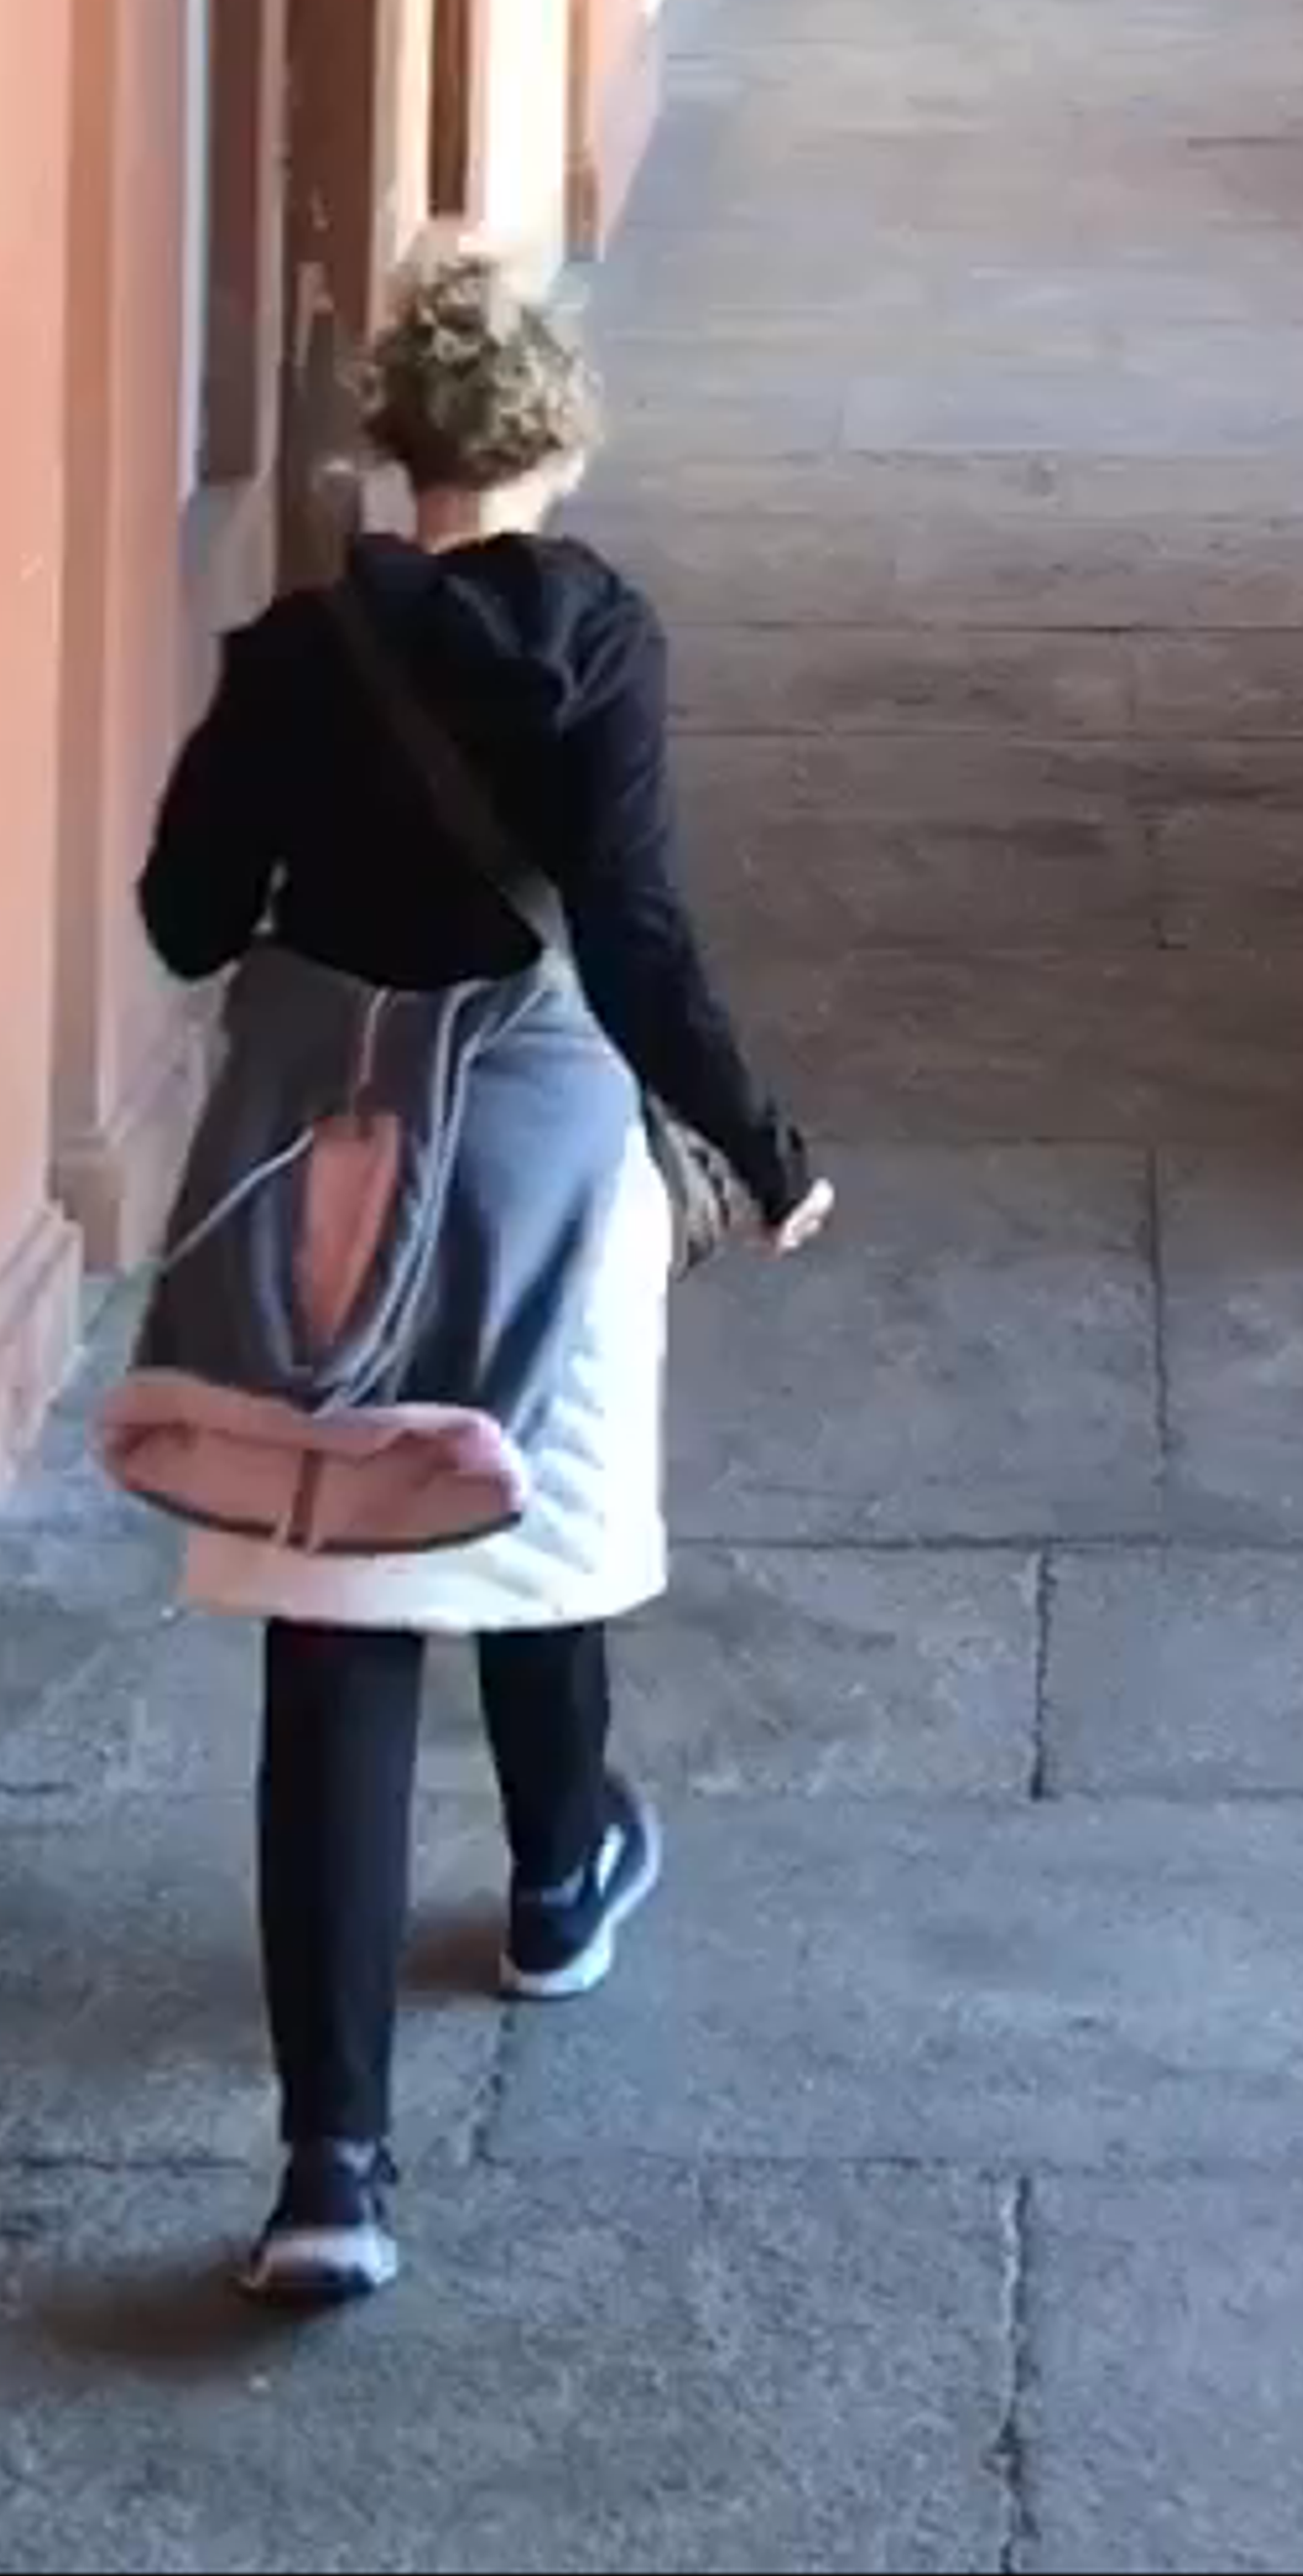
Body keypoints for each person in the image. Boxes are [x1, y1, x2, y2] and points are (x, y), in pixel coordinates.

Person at [130, 249, 828, 2311]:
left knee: (337, 1605)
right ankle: (555, 1877)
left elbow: (186, 916)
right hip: (537, 1131)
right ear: (559, 433)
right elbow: (632, 930)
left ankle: (329, 2167)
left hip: (323, 1151)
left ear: (396, 443)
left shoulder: (288, 650)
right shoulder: (601, 636)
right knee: (538, 1499)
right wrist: (766, 1147)